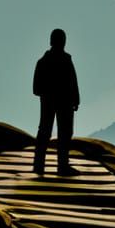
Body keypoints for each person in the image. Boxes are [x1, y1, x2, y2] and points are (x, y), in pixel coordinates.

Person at [32, 28, 80, 176]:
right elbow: (73, 82)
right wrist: (75, 99)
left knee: (47, 132)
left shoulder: (43, 62)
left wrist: (47, 95)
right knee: (60, 133)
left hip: (51, 102)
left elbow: (36, 89)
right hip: (62, 103)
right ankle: (61, 166)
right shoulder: (65, 61)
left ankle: (39, 166)